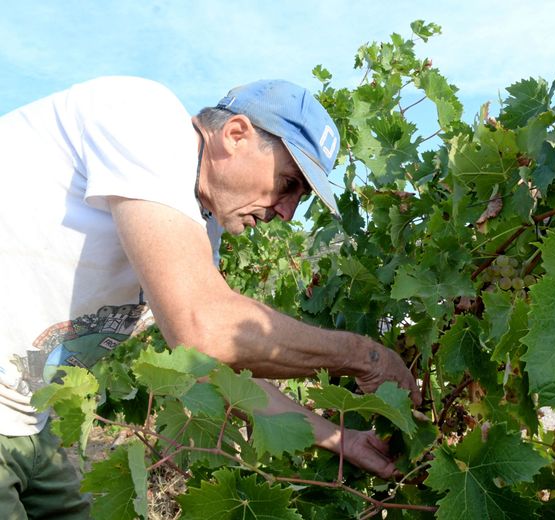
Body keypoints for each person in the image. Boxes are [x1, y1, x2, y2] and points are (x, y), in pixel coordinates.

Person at [0, 76, 422, 519]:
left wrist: (340, 438)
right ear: (235, 135)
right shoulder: (144, 117)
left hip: (27, 419)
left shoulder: (199, 228)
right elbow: (203, 329)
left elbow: (210, 369)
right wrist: (364, 356)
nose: (286, 212)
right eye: (287, 183)